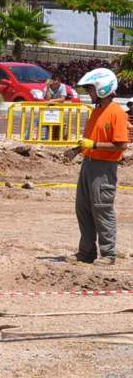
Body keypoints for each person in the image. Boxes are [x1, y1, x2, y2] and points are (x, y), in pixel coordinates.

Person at [67, 68, 129, 266]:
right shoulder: (97, 111)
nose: (89, 93)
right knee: (83, 208)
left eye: (91, 89)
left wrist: (93, 146)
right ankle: (86, 252)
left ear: (103, 88)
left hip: (104, 167)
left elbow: (121, 145)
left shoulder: (116, 113)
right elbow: (91, 139)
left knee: (102, 209)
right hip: (89, 164)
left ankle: (108, 253)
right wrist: (77, 150)